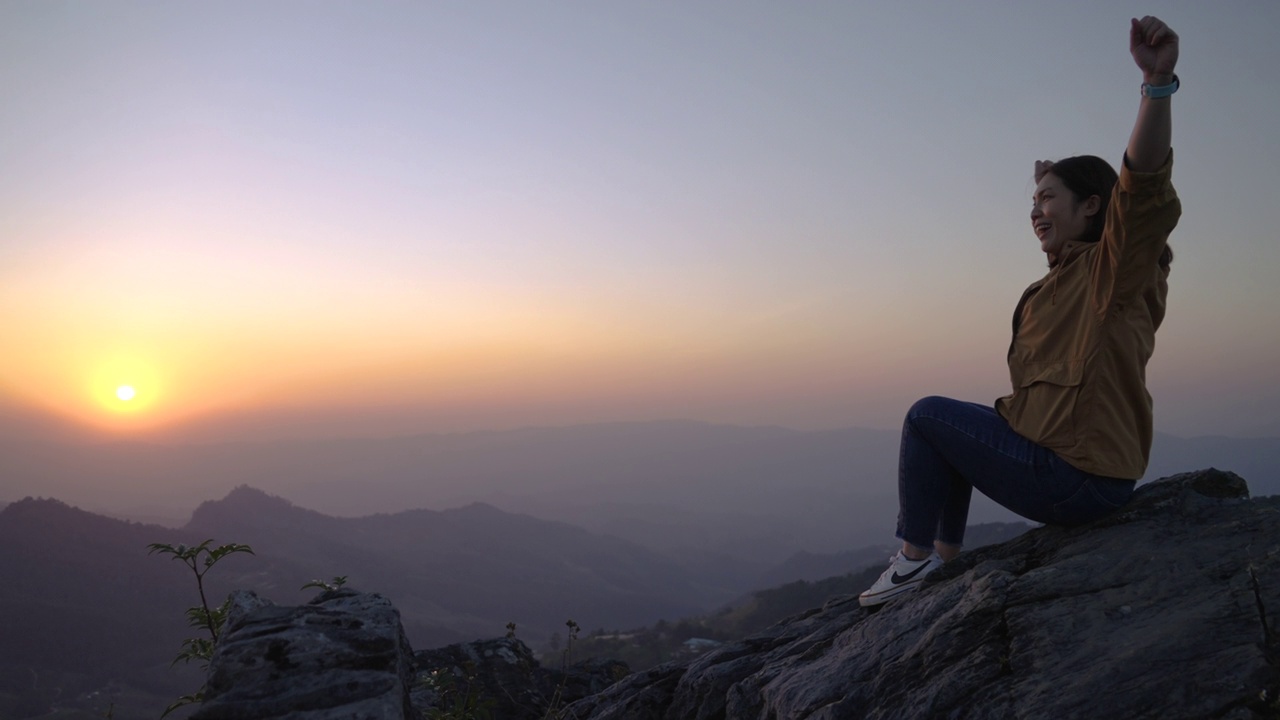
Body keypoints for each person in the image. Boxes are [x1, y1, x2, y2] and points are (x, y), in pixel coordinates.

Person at [858, 15, 1183, 607]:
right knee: (955, 426)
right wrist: (1051, 188)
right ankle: (944, 562)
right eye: (1031, 201)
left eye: (1047, 200)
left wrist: (1156, 88)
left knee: (927, 416)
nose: (1034, 211)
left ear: (1091, 206)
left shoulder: (1114, 269)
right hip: (1081, 472)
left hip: (1077, 479)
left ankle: (913, 560)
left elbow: (1140, 189)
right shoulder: (1059, 283)